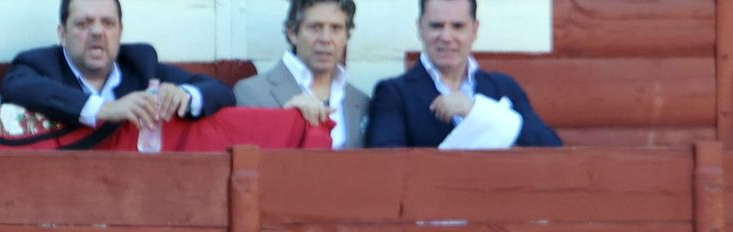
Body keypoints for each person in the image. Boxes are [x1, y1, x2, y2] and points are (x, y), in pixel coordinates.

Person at [1, 0, 235, 131]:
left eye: (108, 23)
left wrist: (183, 95)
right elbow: (16, 86)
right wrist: (101, 109)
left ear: (120, 32)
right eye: (83, 23)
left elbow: (221, 91)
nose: (97, 32)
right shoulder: (40, 64)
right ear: (63, 34)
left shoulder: (141, 64)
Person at [365, 0, 561, 148]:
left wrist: (477, 110)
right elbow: (387, 166)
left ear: (474, 30)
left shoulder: (504, 87)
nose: (446, 37)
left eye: (458, 26)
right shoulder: (393, 93)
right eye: (436, 26)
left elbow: (552, 148)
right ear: (420, 28)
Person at [234, 0, 370, 149]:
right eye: (315, 27)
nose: (325, 39)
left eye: (336, 28)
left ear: (346, 37)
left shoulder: (361, 101)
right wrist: (285, 121)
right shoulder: (251, 93)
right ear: (292, 33)